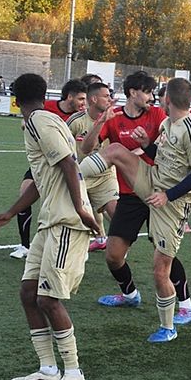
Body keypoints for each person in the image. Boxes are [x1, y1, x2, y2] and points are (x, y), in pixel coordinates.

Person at [0, 73, 101, 380]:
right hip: (50, 221)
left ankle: (74, 372)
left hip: (66, 221)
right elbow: (43, 179)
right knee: (28, 293)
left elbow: (69, 164)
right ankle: (48, 369)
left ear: (15, 100)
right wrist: (11, 212)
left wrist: (80, 208)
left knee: (48, 299)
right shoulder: (46, 121)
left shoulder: (38, 121)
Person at [78, 77, 191, 343]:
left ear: (167, 99)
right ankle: (71, 179)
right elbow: (165, 157)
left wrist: (167, 195)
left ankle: (169, 327)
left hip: (172, 204)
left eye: (157, 94)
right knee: (116, 150)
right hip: (152, 181)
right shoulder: (168, 123)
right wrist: (147, 144)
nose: (153, 98)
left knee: (161, 269)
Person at [10, 78, 89, 259]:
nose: (83, 103)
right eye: (81, 99)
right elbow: (28, 121)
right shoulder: (45, 110)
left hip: (68, 165)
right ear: (70, 97)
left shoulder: (81, 118)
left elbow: (70, 160)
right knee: (25, 193)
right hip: (45, 164)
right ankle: (24, 245)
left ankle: (83, 242)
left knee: (76, 203)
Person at [67, 80, 119, 252]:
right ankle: (93, 240)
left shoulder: (115, 118)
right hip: (79, 174)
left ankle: (120, 245)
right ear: (94, 99)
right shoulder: (76, 120)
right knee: (75, 213)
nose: (110, 99)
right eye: (106, 96)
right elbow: (63, 143)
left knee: (115, 211)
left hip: (105, 174)